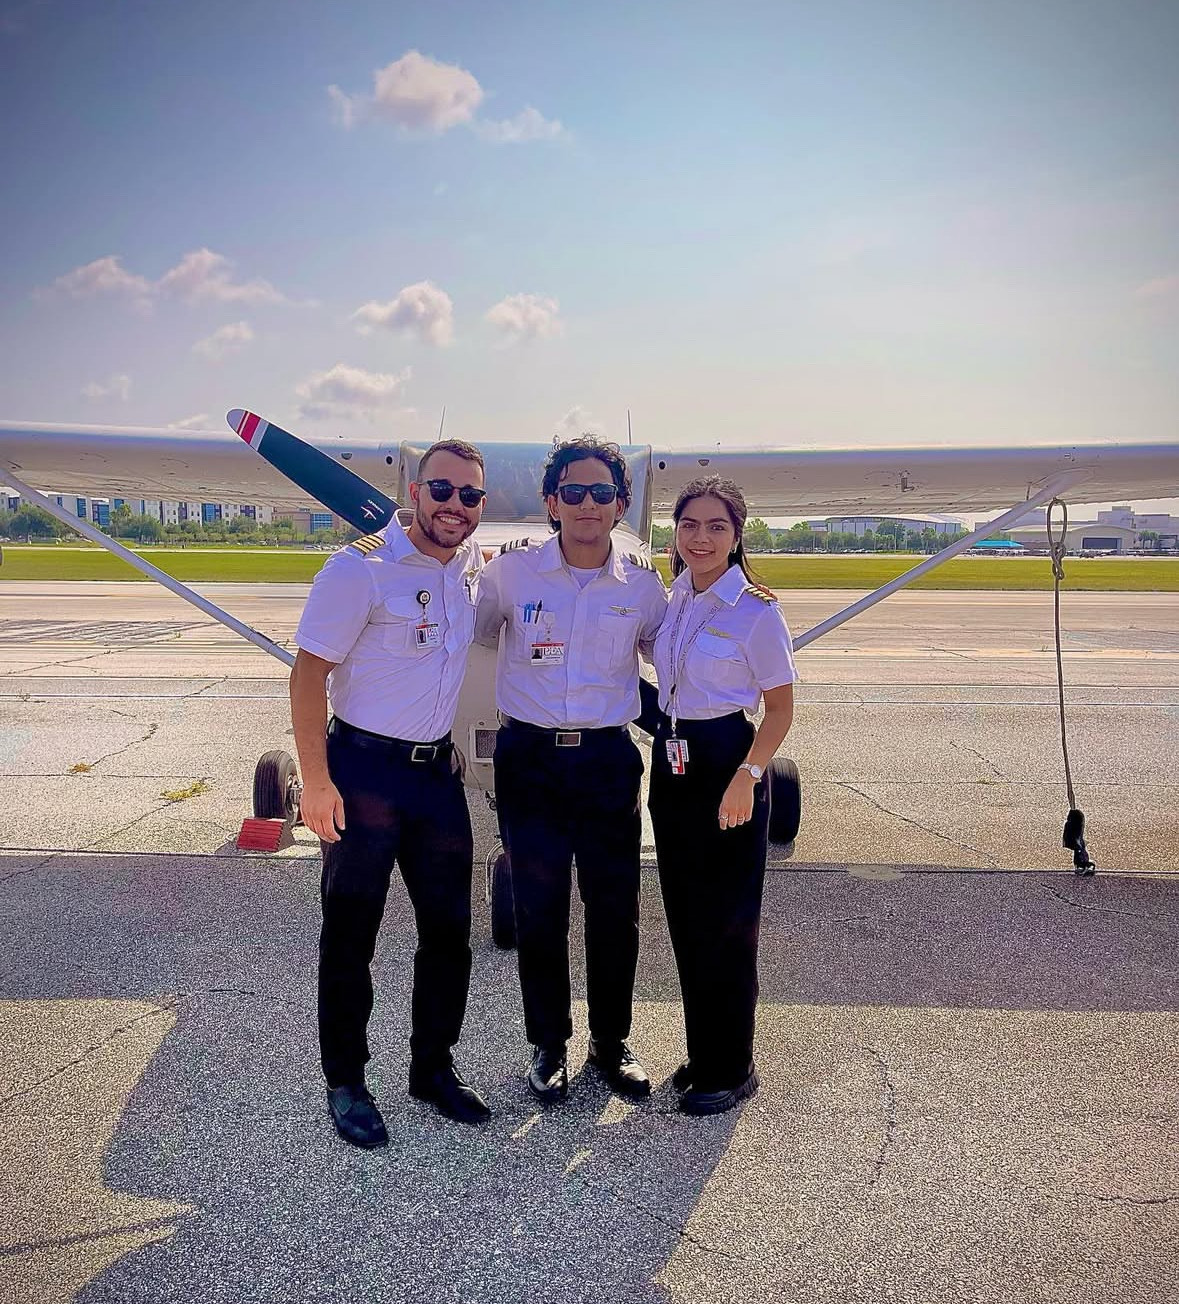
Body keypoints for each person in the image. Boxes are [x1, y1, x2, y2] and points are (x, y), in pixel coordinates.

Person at [290, 439, 490, 1147]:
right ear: (413, 490)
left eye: (469, 496)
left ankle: (431, 1069)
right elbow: (308, 674)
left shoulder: (472, 567)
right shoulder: (358, 569)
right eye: (441, 489)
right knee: (350, 937)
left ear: (481, 506)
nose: (453, 506)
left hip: (435, 775)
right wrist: (315, 782)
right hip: (362, 772)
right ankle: (345, 1081)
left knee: (449, 937)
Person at [476, 437, 667, 1104]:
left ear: (621, 504)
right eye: (574, 493)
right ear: (551, 502)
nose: (588, 505)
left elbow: (675, 665)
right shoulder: (506, 576)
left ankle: (611, 1042)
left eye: (602, 493)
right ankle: (548, 1044)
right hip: (527, 759)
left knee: (614, 909)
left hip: (608, 761)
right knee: (539, 909)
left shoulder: (644, 589)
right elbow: (459, 639)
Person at [648, 475, 797, 1115]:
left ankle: (732, 1066)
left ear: (737, 537)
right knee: (686, 917)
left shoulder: (756, 611)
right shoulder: (676, 598)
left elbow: (781, 711)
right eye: (688, 526)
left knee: (729, 923)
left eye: (715, 527)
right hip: (673, 760)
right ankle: (702, 1050)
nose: (700, 538)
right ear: (675, 535)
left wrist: (749, 775)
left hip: (727, 765)